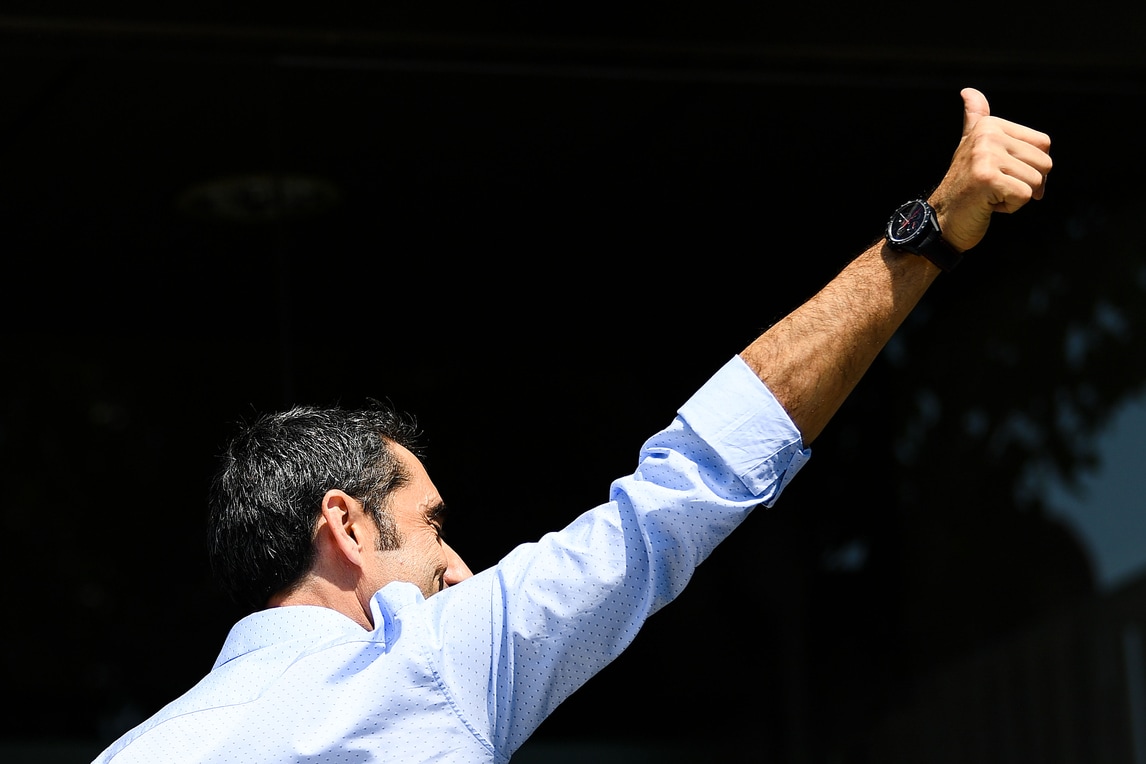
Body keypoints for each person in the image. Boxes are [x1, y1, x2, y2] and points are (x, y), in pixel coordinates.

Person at [93, 87, 1052, 763]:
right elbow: (686, 489)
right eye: (431, 526)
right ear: (344, 524)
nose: (460, 567)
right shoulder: (425, 666)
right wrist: (927, 235)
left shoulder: (138, 752)